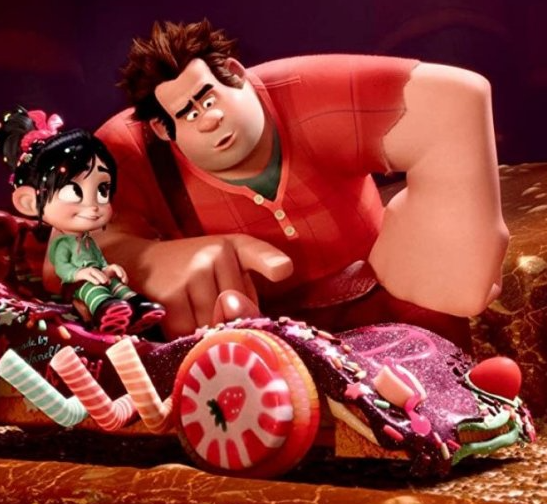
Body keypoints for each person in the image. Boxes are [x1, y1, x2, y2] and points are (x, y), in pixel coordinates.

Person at [91, 20, 508, 351]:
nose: (209, 120)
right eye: (187, 114)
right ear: (161, 129)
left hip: (382, 296)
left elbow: (456, 98)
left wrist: (451, 233)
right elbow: (66, 245)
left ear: (234, 74)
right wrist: (144, 260)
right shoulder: (128, 151)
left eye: (209, 99)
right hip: (258, 340)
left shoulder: (307, 96)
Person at [0, 107, 165, 335]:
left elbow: (98, 259)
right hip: (75, 285)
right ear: (29, 202)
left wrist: (107, 268)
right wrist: (79, 274)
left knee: (115, 285)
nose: (93, 205)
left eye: (102, 191)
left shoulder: (87, 240)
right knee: (92, 290)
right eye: (74, 191)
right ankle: (105, 309)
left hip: (97, 275)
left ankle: (137, 306)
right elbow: (63, 268)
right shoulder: (62, 243)